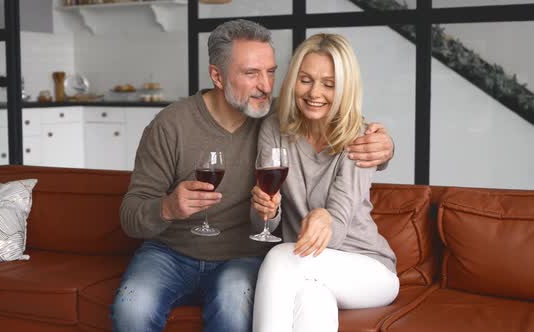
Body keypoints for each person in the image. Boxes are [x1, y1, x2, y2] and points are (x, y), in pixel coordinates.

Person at [112, 20, 394, 332]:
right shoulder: (172, 125)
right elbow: (130, 215)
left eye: (271, 72)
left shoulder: (283, 116)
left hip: (247, 256)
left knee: (251, 290)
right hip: (171, 253)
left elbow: (343, 128)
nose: (266, 85)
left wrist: (386, 147)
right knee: (133, 307)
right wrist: (167, 207)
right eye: (251, 73)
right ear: (217, 76)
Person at [250, 33, 400, 332]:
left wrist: (325, 216)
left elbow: (338, 226)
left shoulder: (359, 137)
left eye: (329, 84)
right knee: (312, 301)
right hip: (308, 268)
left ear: (344, 89)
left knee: (280, 256)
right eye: (305, 80)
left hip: (367, 268)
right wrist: (266, 208)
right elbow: (261, 224)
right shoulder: (274, 127)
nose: (315, 92)